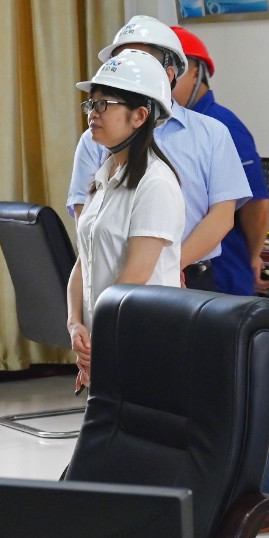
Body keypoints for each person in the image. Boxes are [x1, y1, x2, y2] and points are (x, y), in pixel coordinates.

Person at [171, 25, 269, 532]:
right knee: (210, 392)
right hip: (188, 277)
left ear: (197, 72)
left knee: (236, 389)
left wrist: (252, 259)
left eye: (171, 69)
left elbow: (254, 202)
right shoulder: (162, 124)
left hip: (222, 274)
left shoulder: (221, 124)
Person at [67, 16, 249, 291]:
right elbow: (84, 211)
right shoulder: (94, 139)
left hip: (192, 277)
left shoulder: (212, 133)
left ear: (169, 73)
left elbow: (222, 216)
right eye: (121, 60)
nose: (127, 69)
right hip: (113, 276)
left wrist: (171, 267)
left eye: (140, 60)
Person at [66, 51, 186, 392]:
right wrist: (75, 325)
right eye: (91, 104)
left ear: (140, 116)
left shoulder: (156, 183)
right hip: (107, 340)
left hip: (143, 344)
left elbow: (133, 279)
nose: (93, 113)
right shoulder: (104, 176)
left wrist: (101, 346)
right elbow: (84, 261)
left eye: (104, 104)